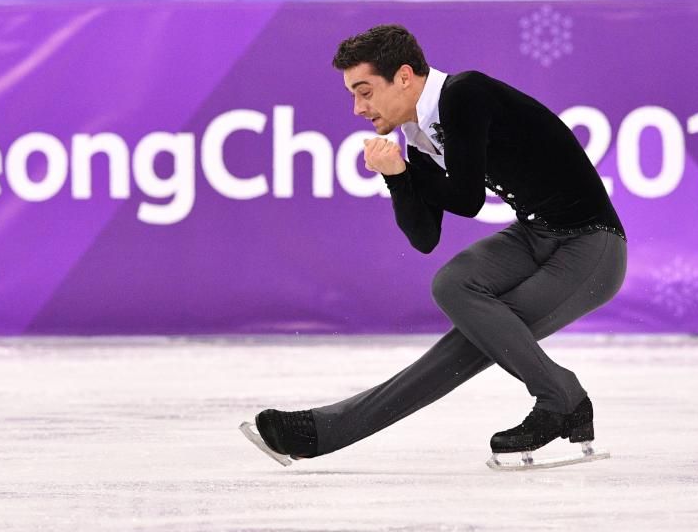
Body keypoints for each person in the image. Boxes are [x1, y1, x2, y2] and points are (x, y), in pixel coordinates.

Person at [242, 24, 627, 465]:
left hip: (591, 249)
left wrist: (402, 176)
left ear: (404, 76)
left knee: (466, 346)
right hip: (534, 235)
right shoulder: (420, 137)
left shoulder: (467, 93)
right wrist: (398, 179)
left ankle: (562, 400)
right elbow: (425, 238)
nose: (357, 108)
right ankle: (324, 429)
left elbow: (468, 198)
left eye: (365, 91)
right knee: (453, 282)